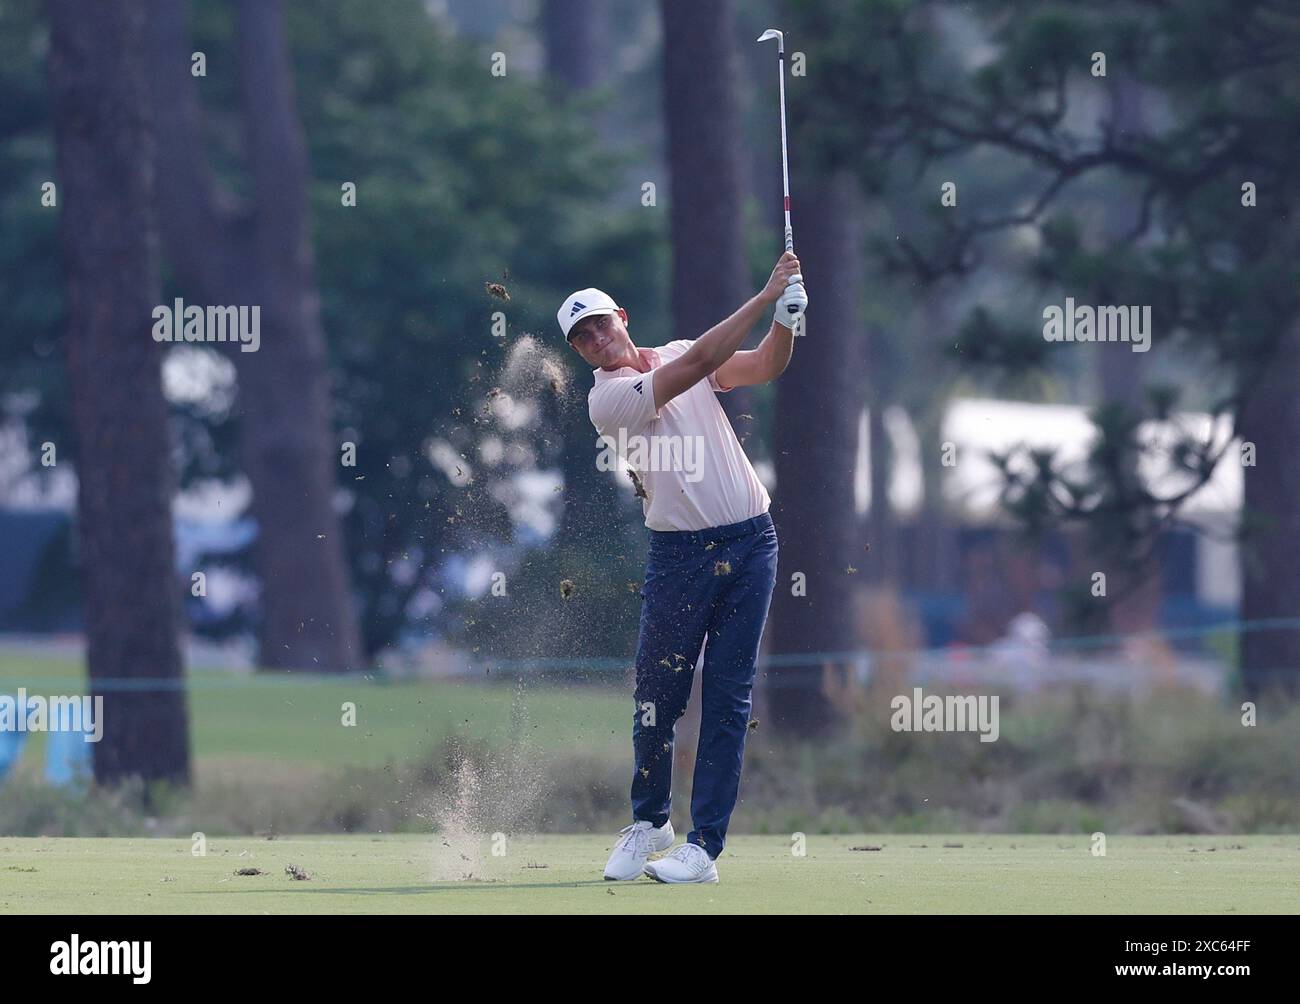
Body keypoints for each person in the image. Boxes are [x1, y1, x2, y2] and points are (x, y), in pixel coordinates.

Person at [557, 252, 807, 883]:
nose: (596, 339)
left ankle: (704, 850)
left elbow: (764, 367)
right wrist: (764, 294)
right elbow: (700, 363)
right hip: (679, 555)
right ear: (581, 352)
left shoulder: (672, 352)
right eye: (582, 337)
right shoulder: (609, 399)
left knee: (728, 695)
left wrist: (786, 320)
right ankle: (649, 822)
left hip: (752, 542)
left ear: (622, 316)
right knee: (657, 694)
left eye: (600, 324)